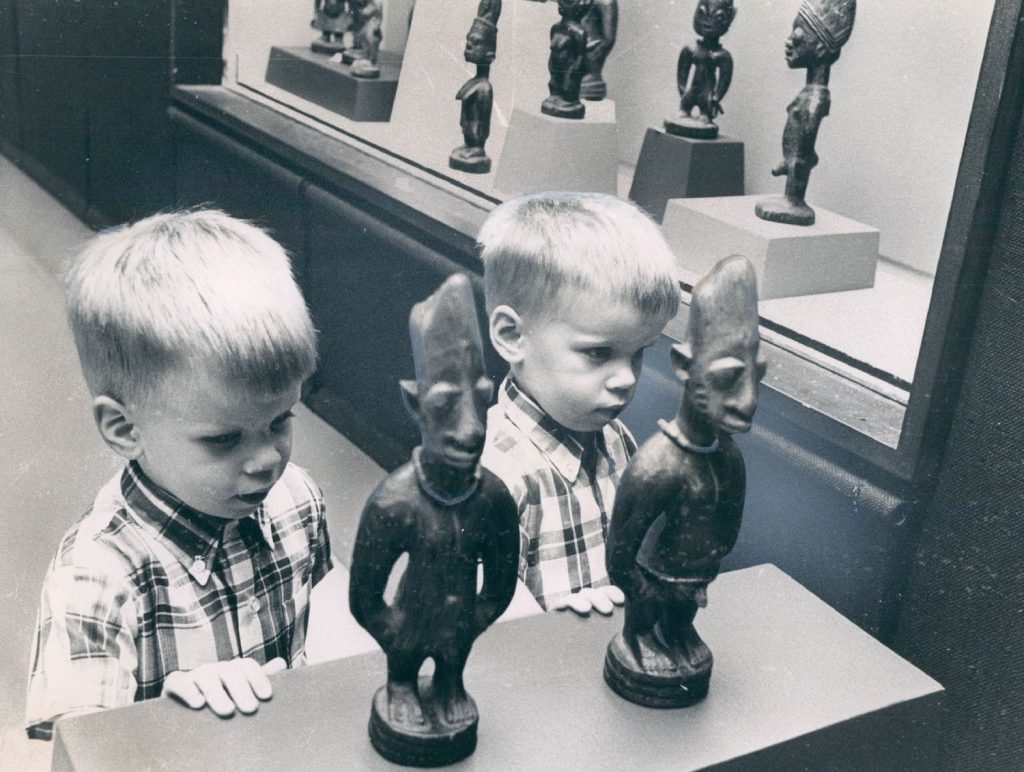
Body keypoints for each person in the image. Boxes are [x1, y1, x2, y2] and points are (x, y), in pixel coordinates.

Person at [25, 210, 330, 740]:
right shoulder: (96, 575)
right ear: (123, 428)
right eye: (223, 439)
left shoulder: (296, 498)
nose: (266, 461)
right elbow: (76, 753)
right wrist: (164, 721)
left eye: (280, 421)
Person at [478, 192, 680, 614]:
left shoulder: (618, 439)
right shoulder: (493, 473)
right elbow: (478, 612)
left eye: (640, 352)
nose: (626, 379)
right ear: (513, 336)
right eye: (598, 353)